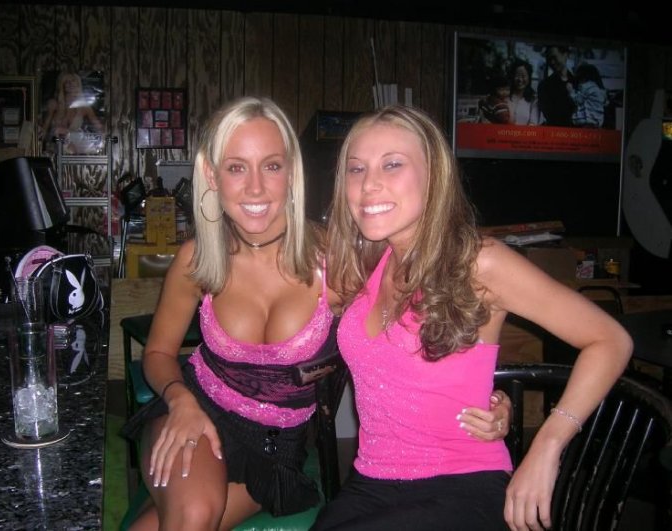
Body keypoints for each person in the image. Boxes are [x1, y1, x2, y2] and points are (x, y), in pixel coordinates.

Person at [122, 96, 512, 530]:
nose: (255, 188)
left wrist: (491, 395)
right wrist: (180, 401)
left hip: (276, 450)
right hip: (196, 411)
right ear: (212, 176)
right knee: (194, 513)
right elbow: (158, 353)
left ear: (292, 172)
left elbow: (418, 325)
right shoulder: (197, 260)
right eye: (236, 168)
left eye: (272, 166)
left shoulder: (338, 262)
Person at [312, 104, 633, 530]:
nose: (369, 184)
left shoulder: (479, 263)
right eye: (356, 169)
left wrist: (548, 444)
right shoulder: (366, 263)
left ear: (434, 176)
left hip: (460, 484)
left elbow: (610, 340)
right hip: (371, 481)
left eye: (392, 164)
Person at [40, 71, 104, 155]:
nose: (70, 84)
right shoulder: (54, 104)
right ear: (62, 85)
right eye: (67, 82)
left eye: (73, 81)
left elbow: (99, 126)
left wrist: (105, 137)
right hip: (55, 145)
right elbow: (45, 129)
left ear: (78, 84)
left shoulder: (84, 107)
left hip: (76, 146)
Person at [537, 45, 576, 126]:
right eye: (549, 59)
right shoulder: (544, 85)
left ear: (565, 55)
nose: (552, 62)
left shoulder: (577, 82)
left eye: (554, 57)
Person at [568, 63, 608, 128]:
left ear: (583, 77)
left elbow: (578, 100)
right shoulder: (599, 89)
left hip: (587, 120)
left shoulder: (587, 86)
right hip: (598, 121)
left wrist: (571, 91)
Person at [507, 59, 540, 125]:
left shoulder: (534, 99)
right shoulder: (505, 95)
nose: (520, 79)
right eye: (517, 75)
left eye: (523, 76)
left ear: (529, 78)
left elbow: (533, 123)